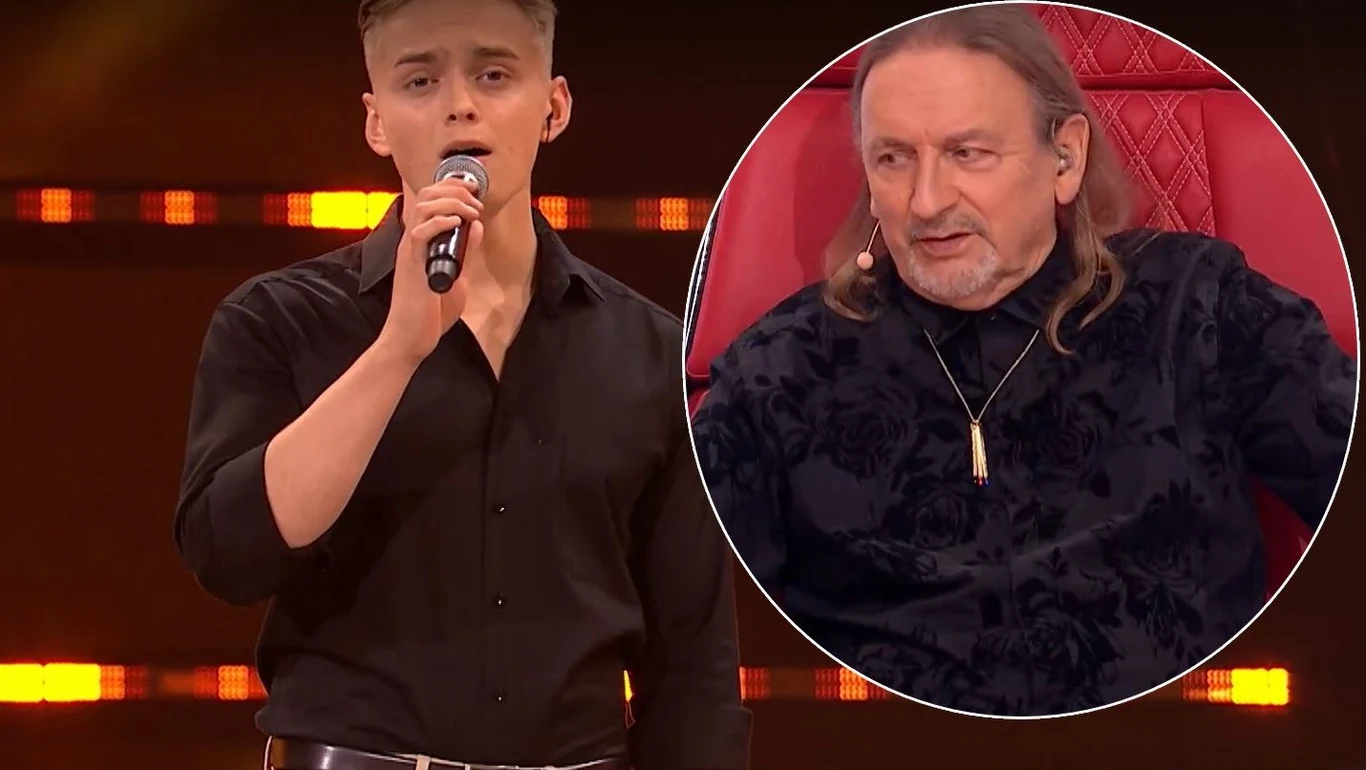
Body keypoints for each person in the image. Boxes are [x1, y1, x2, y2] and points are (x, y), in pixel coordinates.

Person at [690, 5, 1355, 718]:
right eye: (893, 158)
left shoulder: (1201, 303)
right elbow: (687, 626)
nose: (927, 201)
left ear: (1064, 159)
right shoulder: (778, 368)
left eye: (968, 153)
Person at [173, 0, 751, 767]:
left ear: (554, 108)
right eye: (420, 80)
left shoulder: (652, 354)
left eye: (494, 74)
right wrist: (398, 349)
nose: (460, 104)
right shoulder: (279, 320)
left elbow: (694, 665)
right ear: (377, 123)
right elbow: (229, 554)